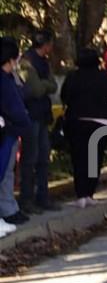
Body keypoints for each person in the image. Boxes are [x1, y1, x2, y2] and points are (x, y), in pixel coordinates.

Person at [60, 49, 107, 208]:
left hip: (78, 121)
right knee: (95, 159)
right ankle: (90, 193)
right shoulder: (103, 77)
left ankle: (81, 195)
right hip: (101, 123)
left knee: (79, 159)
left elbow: (65, 96)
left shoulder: (73, 77)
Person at [18, 29, 59, 214]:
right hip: (31, 114)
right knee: (30, 158)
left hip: (43, 114)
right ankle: (26, 199)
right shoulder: (27, 62)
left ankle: (43, 196)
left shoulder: (44, 62)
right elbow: (35, 89)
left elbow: (53, 85)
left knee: (44, 156)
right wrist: (45, 85)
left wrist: (44, 85)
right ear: (46, 43)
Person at [0, 37, 32, 231]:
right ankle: (7, 211)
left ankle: (9, 209)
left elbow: (23, 94)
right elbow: (14, 106)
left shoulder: (10, 78)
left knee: (7, 173)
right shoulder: (3, 81)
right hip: (6, 132)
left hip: (11, 132)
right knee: (3, 172)